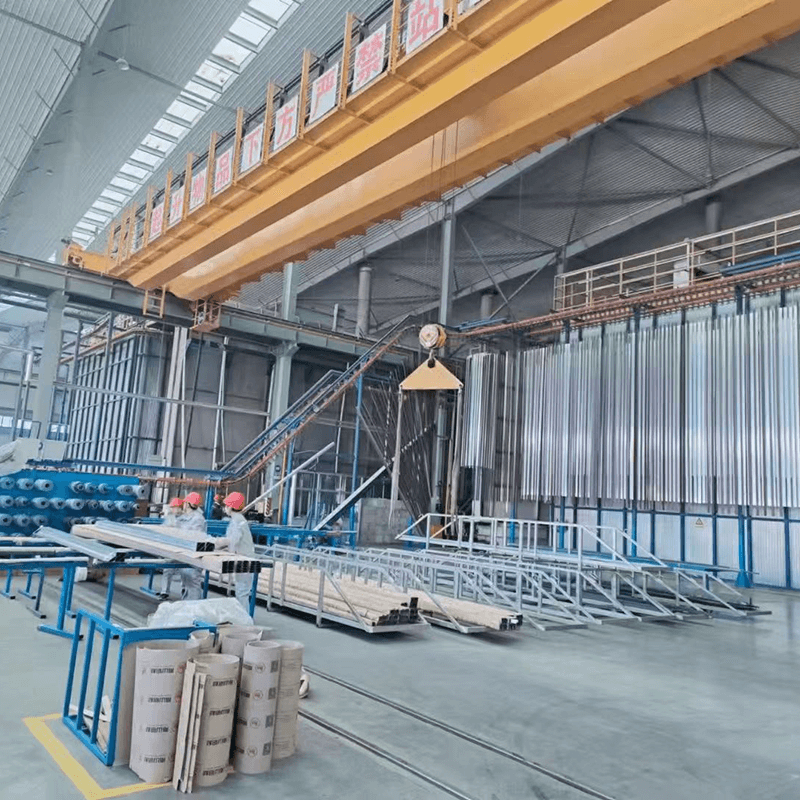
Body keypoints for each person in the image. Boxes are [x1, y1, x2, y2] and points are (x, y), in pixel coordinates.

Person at [215, 491, 256, 610]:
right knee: (241, 591)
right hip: (242, 558)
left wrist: (219, 544)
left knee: (242, 592)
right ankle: (242, 616)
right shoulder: (236, 519)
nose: (225, 508)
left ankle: (244, 619)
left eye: (227, 505)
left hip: (245, 560)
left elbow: (233, 541)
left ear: (232, 506)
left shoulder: (238, 521)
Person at [179, 491, 207, 601]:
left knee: (193, 582)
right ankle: (186, 605)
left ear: (189, 504)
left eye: (185, 503)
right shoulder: (187, 517)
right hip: (186, 553)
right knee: (186, 582)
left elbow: (195, 537)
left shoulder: (198, 519)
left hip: (193, 555)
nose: (183, 505)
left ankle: (194, 607)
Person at [159, 497, 183, 598]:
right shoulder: (170, 517)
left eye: (174, 507)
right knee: (167, 569)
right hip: (172, 546)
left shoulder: (186, 518)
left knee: (185, 571)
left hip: (183, 548)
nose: (172, 509)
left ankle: (184, 591)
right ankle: (164, 592)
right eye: (172, 507)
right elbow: (164, 528)